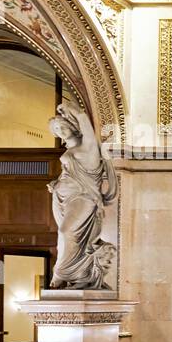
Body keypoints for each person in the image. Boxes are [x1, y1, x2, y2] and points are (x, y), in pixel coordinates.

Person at [47, 105, 119, 290]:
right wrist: (56, 183)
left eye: (62, 126)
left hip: (85, 197)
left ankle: (65, 273)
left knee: (67, 232)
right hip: (62, 197)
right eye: (56, 129)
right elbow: (69, 174)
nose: (60, 131)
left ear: (73, 126)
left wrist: (72, 110)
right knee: (62, 237)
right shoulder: (68, 151)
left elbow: (83, 120)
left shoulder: (88, 147)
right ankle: (69, 276)